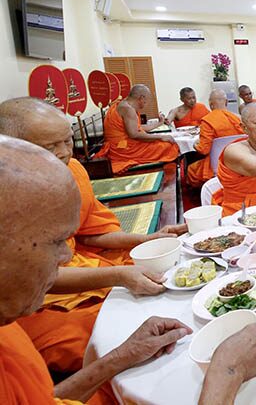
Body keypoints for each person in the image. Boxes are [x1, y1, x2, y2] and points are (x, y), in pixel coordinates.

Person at [0, 136, 256, 404]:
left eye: (67, 140)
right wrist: (228, 372)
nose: (68, 255)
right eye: (56, 242)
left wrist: (123, 355)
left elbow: (45, 399)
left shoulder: (8, 333)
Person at [0, 98, 186, 373]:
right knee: (108, 334)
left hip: (82, 264)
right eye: (50, 147)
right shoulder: (7, 197)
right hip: (38, 302)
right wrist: (118, 276)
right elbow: (32, 276)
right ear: (12, 148)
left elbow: (91, 233)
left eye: (68, 141)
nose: (64, 153)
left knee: (163, 270)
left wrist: (148, 239)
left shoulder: (74, 170)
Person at [95, 84, 179, 174]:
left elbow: (138, 128)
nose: (146, 104)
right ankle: (168, 173)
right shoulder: (128, 109)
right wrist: (161, 137)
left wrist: (159, 123)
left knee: (162, 143)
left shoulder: (121, 104)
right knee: (168, 147)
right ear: (141, 98)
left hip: (120, 145)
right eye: (146, 101)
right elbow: (134, 134)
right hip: (123, 149)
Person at [186, 89, 245, 187]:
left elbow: (204, 150)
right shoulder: (238, 118)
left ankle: (204, 192)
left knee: (190, 170)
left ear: (211, 105)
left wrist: (195, 144)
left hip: (217, 164)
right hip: (239, 161)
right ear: (226, 102)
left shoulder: (208, 120)